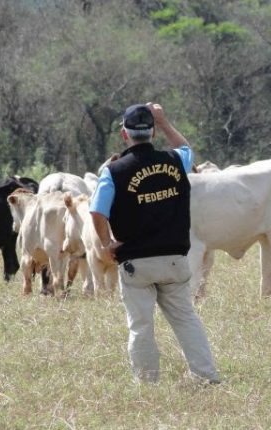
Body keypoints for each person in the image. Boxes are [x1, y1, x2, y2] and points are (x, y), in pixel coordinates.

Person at [89, 102, 220, 384]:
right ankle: (206, 376)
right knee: (186, 319)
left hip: (136, 263)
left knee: (141, 326)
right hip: (174, 259)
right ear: (153, 133)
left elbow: (97, 211)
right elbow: (187, 150)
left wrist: (106, 243)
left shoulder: (113, 172)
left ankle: (147, 383)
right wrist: (164, 121)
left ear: (124, 135)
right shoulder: (175, 161)